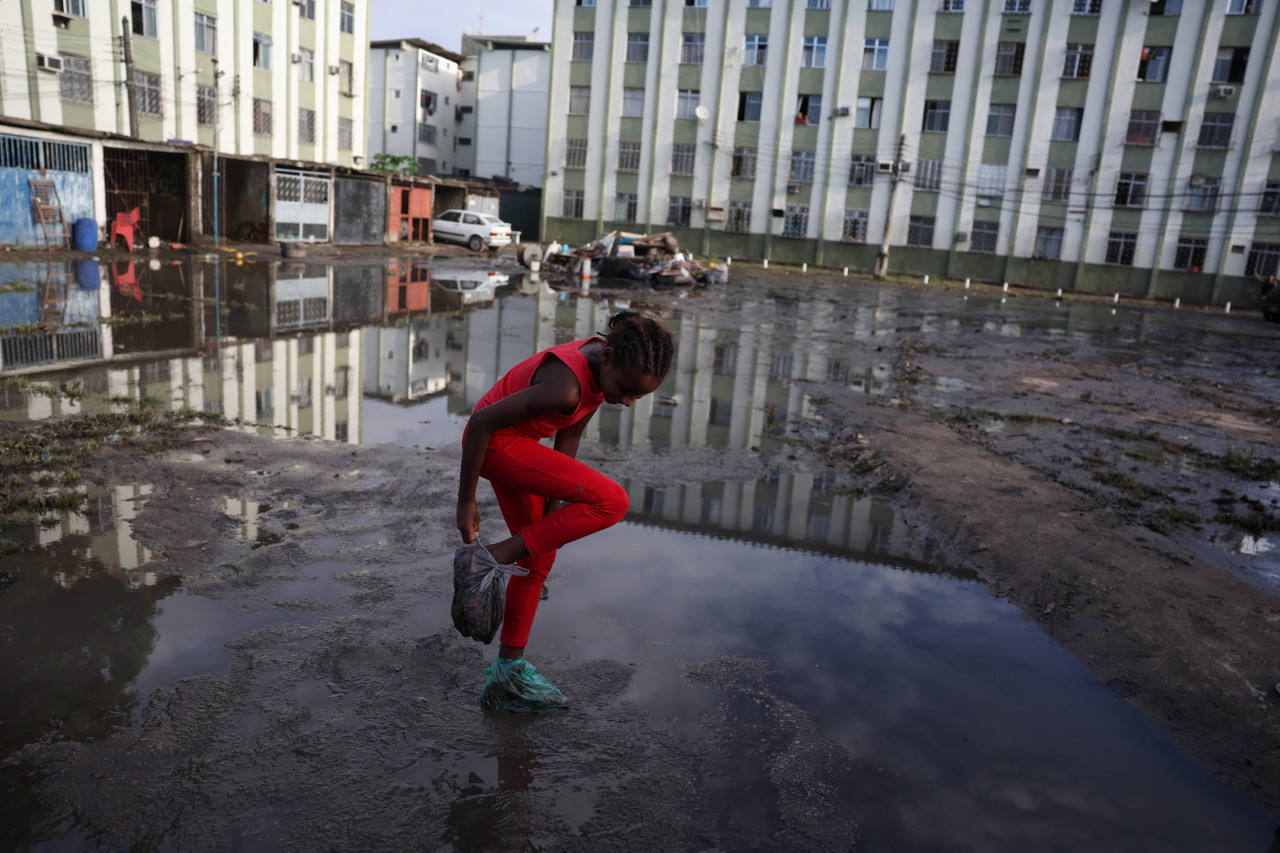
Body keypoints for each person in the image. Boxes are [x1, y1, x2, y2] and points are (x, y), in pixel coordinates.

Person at [455, 310, 675, 712]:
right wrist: (466, 500)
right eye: (626, 390)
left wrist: (552, 511)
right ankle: (490, 558)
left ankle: (507, 674)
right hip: (496, 445)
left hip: (514, 446)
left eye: (638, 397)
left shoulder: (598, 365)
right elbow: (483, 422)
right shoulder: (566, 387)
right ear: (608, 357)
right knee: (613, 501)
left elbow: (569, 431)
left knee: (541, 552)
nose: (626, 402)